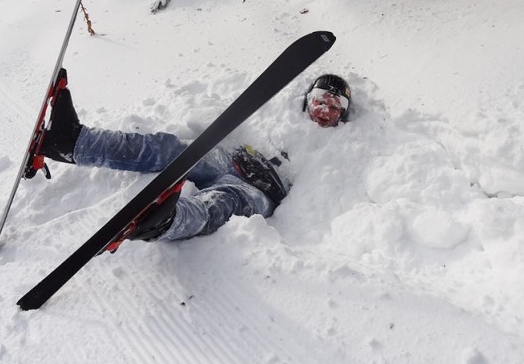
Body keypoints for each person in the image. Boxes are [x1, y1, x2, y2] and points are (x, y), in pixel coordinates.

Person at [40, 73, 352, 248]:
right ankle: (74, 142)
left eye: (335, 105)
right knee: (170, 149)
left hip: (259, 194)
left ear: (344, 113)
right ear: (307, 99)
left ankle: (167, 222)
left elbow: (318, 204)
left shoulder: (339, 149)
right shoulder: (279, 118)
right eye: (320, 100)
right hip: (231, 159)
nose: (325, 110)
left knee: (221, 203)